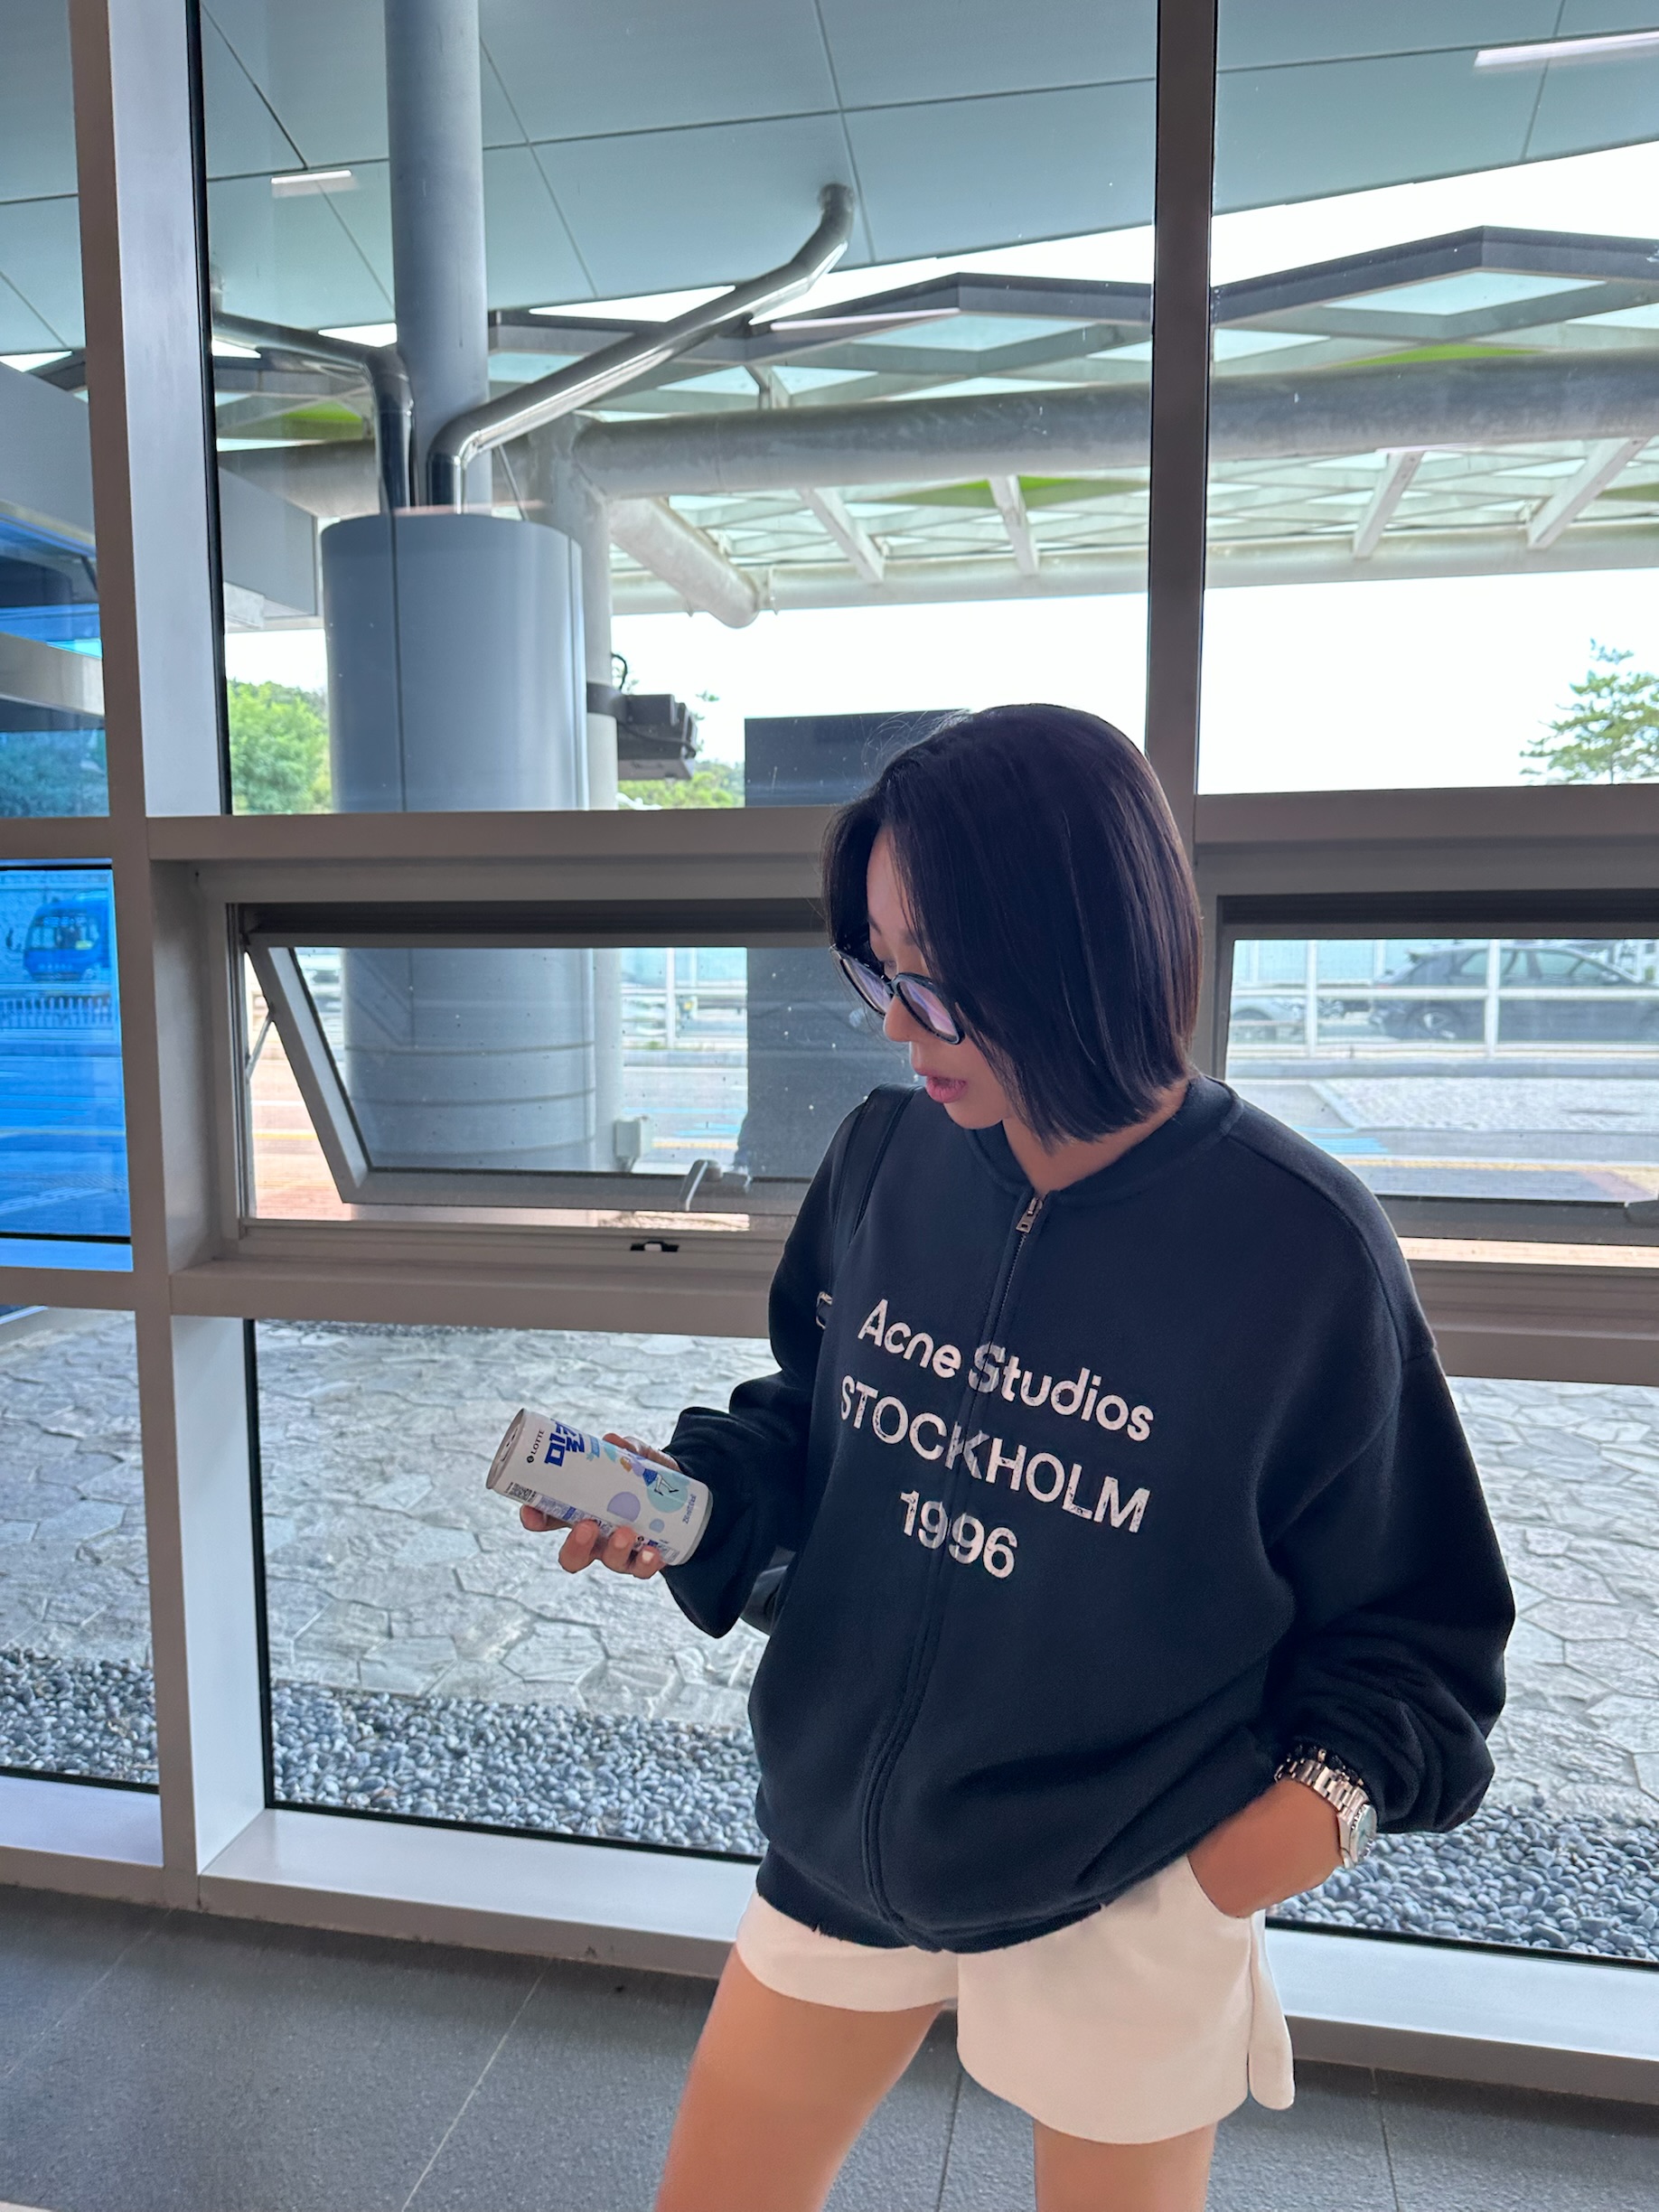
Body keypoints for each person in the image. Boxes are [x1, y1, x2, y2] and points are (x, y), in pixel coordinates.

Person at [521, 704, 1514, 2212]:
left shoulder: (1300, 1248)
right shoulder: (884, 1157)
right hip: (847, 1834)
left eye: (933, 981)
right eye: (876, 966)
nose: (895, 1023)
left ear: (1079, 956)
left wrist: (1249, 1858)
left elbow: (1424, 1638)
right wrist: (694, 1498)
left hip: (1131, 1880)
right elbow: (818, 1419)